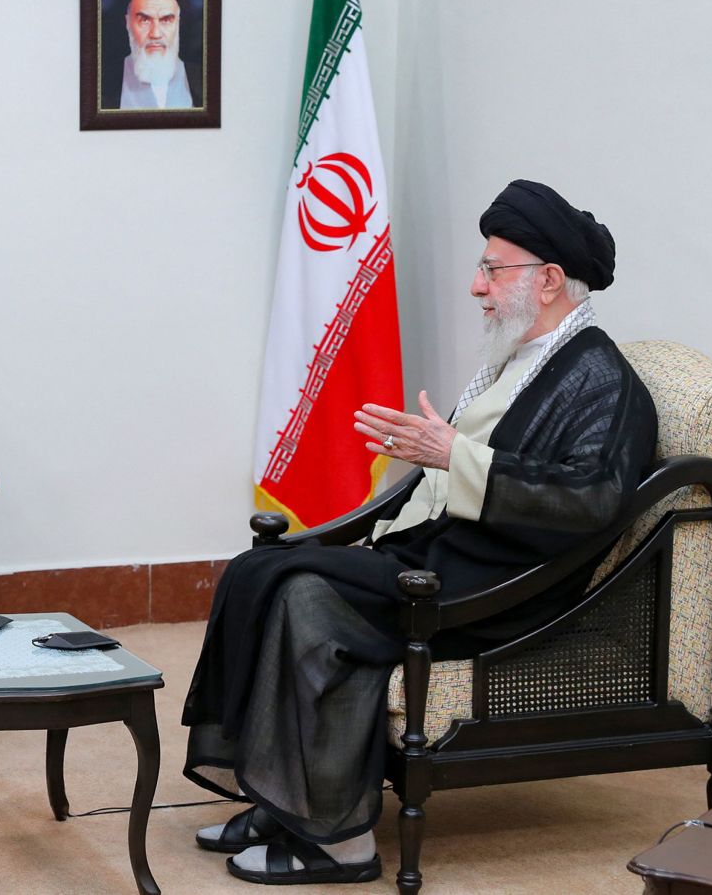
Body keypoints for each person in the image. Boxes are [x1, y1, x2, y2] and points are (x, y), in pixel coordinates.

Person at [182, 180, 657, 885]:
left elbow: (590, 501)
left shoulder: (604, 381)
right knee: (262, 568)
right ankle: (284, 799)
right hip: (450, 553)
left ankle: (342, 839)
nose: (476, 285)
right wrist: (434, 459)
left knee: (305, 595)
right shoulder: (525, 355)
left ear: (550, 280)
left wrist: (452, 456)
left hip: (503, 589)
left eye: (493, 269)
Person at [105, 0, 201, 110]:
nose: (155, 33)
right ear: (127, 23)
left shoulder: (205, 81)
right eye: (144, 20)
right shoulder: (102, 84)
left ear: (178, 23)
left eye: (166, 20)